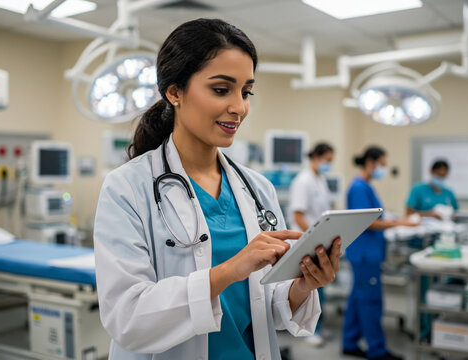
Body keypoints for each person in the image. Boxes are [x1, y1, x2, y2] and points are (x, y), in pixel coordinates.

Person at [94, 18, 342, 360]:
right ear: (174, 92)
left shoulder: (258, 189)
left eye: (246, 91)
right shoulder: (127, 188)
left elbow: (262, 305)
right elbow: (127, 318)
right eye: (221, 90)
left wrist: (304, 284)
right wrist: (230, 270)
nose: (239, 107)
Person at [342, 146, 417, 360]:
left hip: (365, 253)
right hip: (366, 254)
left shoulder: (365, 186)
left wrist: (394, 221)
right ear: (370, 162)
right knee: (370, 302)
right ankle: (377, 350)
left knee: (357, 299)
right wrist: (400, 223)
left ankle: (349, 342)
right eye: (382, 164)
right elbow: (368, 223)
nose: (383, 168)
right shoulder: (359, 187)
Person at [288, 142, 335, 347]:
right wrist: (314, 237)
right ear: (316, 156)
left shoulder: (320, 180)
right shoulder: (303, 181)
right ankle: (308, 331)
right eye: (328, 160)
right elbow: (298, 215)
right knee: (309, 285)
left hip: (317, 241)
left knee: (319, 286)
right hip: (306, 241)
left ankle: (318, 326)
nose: (329, 164)